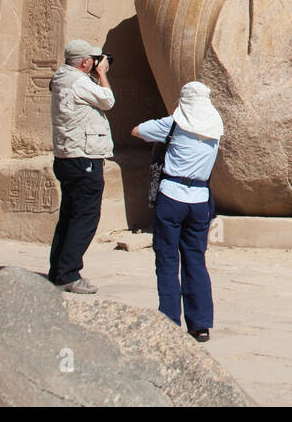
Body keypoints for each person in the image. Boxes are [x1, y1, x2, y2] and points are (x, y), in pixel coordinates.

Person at [132, 82, 223, 342]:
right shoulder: (215, 126)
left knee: (168, 260)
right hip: (200, 199)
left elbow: (136, 131)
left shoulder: (173, 124)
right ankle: (200, 323)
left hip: (171, 196)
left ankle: (170, 320)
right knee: (195, 260)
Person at [48, 38, 115, 294]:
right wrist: (102, 74)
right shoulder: (79, 81)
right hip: (83, 156)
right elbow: (107, 100)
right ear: (86, 62)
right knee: (85, 216)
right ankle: (69, 273)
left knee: (69, 216)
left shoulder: (61, 77)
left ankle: (59, 270)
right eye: (93, 60)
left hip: (67, 157)